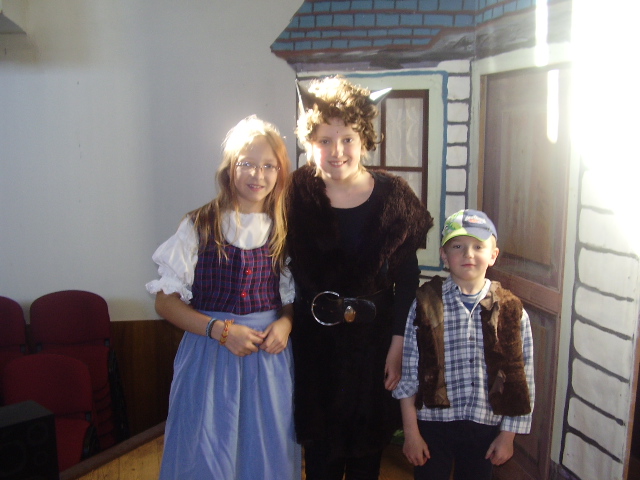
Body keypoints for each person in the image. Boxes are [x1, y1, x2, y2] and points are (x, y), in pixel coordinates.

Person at [286, 76, 434, 479]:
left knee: (368, 460)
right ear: (309, 142)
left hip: (375, 347)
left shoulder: (395, 196)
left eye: (347, 138)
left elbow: (407, 280)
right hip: (314, 351)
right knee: (320, 461)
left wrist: (398, 344)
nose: (337, 151)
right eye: (324, 140)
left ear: (365, 139)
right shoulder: (293, 194)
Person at [145, 115, 301, 480]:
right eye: (247, 164)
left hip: (267, 360)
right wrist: (220, 330)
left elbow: (288, 299)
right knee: (205, 455)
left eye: (268, 166)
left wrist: (285, 323)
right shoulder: (199, 224)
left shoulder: (285, 230)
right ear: (230, 168)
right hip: (209, 356)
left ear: (280, 172)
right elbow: (165, 302)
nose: (257, 175)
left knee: (264, 455)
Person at [393, 209, 535, 480]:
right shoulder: (424, 304)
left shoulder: (511, 310)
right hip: (433, 426)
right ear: (444, 255)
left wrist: (507, 435)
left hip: (485, 427)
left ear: (493, 255)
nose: (468, 254)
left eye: (478, 246)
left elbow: (522, 379)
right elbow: (409, 375)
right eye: (457, 246)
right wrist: (411, 433)